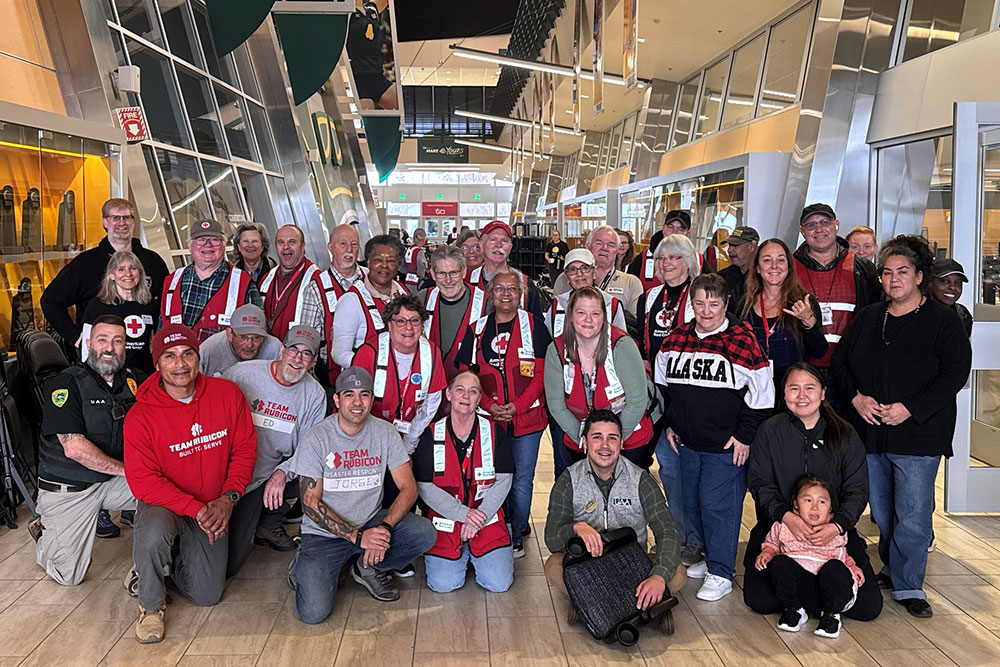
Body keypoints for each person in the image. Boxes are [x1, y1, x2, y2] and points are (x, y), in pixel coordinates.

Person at [832, 235, 971, 618]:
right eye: (887, 273)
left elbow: (954, 374)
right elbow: (841, 364)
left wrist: (910, 408)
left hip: (919, 434)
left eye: (902, 272)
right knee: (883, 511)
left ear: (919, 276)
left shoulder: (942, 320)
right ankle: (893, 569)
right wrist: (857, 397)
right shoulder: (870, 317)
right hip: (873, 432)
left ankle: (910, 585)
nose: (894, 280)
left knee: (912, 512)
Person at [124, 324, 258, 643]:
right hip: (166, 505)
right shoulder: (141, 415)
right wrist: (195, 508)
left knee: (208, 595)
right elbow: (143, 482)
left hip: (213, 505)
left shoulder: (227, 394)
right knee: (153, 532)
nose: (180, 364)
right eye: (169, 356)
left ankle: (156, 568)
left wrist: (229, 497)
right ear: (157, 364)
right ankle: (151, 604)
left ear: (199, 357)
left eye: (187, 354)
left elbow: (245, 450)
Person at [654, 273, 773, 601]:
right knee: (691, 501)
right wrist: (670, 424)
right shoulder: (676, 338)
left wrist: (745, 436)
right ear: (691, 304)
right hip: (688, 442)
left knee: (718, 506)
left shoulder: (742, 340)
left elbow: (763, 395)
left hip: (726, 446)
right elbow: (665, 389)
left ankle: (721, 571)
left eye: (714, 304)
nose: (706, 311)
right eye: (700, 303)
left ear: (725, 305)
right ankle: (708, 557)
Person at [287, 366, 437, 623]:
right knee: (313, 613)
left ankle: (367, 567)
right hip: (324, 534)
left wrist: (384, 529)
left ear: (372, 398)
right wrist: (358, 538)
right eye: (349, 394)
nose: (357, 402)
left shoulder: (384, 431)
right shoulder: (317, 437)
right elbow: (310, 503)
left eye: (364, 394)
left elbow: (409, 488)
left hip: (370, 521)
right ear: (336, 400)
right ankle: (305, 563)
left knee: (424, 532)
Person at [744, 363, 881, 622]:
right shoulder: (769, 431)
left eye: (810, 388)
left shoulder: (844, 433)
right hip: (780, 528)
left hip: (831, 533)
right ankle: (819, 599)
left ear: (823, 393)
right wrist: (787, 517)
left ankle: (801, 598)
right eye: (794, 388)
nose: (802, 396)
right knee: (759, 600)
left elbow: (858, 490)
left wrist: (838, 526)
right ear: (783, 394)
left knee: (868, 608)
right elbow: (760, 483)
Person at [543, 410, 685, 616]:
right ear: (584, 442)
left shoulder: (641, 480)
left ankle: (590, 605)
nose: (605, 446)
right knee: (554, 565)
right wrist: (577, 528)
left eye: (612, 438)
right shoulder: (569, 480)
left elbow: (668, 531)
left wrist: (658, 577)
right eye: (597, 437)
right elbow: (552, 538)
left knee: (678, 572)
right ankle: (645, 607)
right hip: (587, 567)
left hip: (632, 565)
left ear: (622, 443)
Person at [34, 315, 141, 584]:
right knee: (68, 577)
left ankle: (151, 563)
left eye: (118, 341)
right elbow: (75, 449)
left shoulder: (133, 381)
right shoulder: (65, 383)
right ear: (90, 343)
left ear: (125, 346)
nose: (109, 347)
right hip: (71, 490)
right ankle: (46, 531)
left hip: (111, 482)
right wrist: (131, 471)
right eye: (102, 340)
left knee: (165, 490)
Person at [456, 268, 551, 557]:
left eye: (512, 289)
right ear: (490, 294)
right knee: (493, 478)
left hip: (527, 420)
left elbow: (542, 373)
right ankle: (495, 526)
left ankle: (516, 531)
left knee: (522, 479)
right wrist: (485, 404)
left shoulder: (534, 326)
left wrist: (518, 406)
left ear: (521, 295)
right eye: (500, 289)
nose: (506, 294)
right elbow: (464, 372)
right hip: (488, 421)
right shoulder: (478, 329)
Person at [224, 325, 326, 572]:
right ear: (281, 351)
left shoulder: (315, 395)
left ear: (313, 362)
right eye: (293, 350)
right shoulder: (241, 374)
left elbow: (308, 449)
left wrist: (282, 473)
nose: (298, 359)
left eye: (306, 354)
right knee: (216, 555)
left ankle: (268, 524)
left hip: (264, 478)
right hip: (228, 472)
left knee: (230, 565)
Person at [413, 371, 514, 592]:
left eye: (473, 391)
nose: (466, 396)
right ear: (448, 394)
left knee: (498, 584)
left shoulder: (494, 432)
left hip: (485, 517)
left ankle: (475, 555)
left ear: (479, 399)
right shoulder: (431, 435)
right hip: (445, 518)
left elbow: (504, 480)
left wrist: (476, 519)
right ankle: (466, 556)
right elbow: (424, 486)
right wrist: (463, 514)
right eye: (459, 389)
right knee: (443, 584)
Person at [545, 286, 653, 478]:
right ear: (570, 315)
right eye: (581, 313)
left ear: (604, 317)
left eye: (595, 313)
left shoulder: (622, 345)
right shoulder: (556, 351)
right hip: (581, 438)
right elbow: (556, 406)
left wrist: (611, 441)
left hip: (628, 436)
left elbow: (637, 402)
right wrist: (585, 439)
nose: (588, 320)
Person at [41, 198, 169, 348]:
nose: (122, 223)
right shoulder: (86, 263)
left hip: (143, 356)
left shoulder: (153, 261)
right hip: (100, 356)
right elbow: (50, 301)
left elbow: (165, 304)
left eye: (126, 217)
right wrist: (75, 337)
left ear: (133, 222)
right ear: (105, 222)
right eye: (115, 218)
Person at [638, 235, 698, 551]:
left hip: (689, 395)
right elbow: (640, 339)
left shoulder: (698, 296)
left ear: (688, 261)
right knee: (666, 469)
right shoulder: (650, 297)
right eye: (662, 259)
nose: (667, 264)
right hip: (656, 396)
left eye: (674, 258)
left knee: (683, 472)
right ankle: (672, 535)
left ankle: (689, 537)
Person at [754, 474, 866, 639]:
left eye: (822, 502)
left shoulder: (835, 529)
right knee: (779, 563)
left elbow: (842, 554)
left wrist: (853, 567)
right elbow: (772, 544)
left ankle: (830, 615)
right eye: (808, 500)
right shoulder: (784, 525)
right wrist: (767, 553)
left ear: (830, 508)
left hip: (827, 591)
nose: (815, 507)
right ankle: (794, 610)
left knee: (835, 568)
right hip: (800, 589)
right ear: (795, 504)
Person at [792, 204, 880, 404]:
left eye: (825, 223)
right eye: (811, 225)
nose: (819, 229)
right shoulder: (789, 268)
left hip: (850, 376)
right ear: (802, 231)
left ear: (836, 225)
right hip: (803, 374)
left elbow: (875, 317)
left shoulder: (862, 268)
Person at [351, 293, 447, 455]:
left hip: (413, 432)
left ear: (423, 325)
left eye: (415, 320)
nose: (408, 327)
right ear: (389, 324)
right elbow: (354, 405)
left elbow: (431, 404)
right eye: (400, 321)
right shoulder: (369, 353)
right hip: (369, 433)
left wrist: (408, 445)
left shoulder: (432, 353)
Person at [738, 239, 827, 395]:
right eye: (767, 260)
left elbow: (819, 351)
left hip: (793, 396)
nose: (774, 266)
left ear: (789, 267)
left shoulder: (804, 302)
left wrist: (809, 321)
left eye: (781, 260)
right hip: (752, 392)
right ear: (758, 268)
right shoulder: (744, 305)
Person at [161, 219, 262, 342]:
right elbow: (161, 328)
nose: (207, 245)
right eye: (200, 240)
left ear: (224, 245)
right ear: (190, 246)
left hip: (224, 361)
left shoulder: (244, 284)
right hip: (177, 360)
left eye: (215, 240)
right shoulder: (171, 281)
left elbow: (257, 335)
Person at [330, 234, 407, 370]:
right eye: (378, 260)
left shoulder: (404, 293)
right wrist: (371, 364)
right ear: (368, 262)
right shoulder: (351, 301)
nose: (384, 266)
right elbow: (338, 353)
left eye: (391, 261)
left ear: (398, 265)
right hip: (365, 382)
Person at [79, 250, 158, 375]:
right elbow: (86, 346)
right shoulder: (98, 305)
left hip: (143, 374)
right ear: (111, 275)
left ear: (140, 273)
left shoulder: (149, 305)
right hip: (109, 374)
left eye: (133, 268)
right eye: (121, 269)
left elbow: (152, 342)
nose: (128, 274)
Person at [419, 244, 487, 382]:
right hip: (429, 387)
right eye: (442, 273)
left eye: (453, 273)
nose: (448, 280)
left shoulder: (485, 303)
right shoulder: (423, 299)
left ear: (463, 272)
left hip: (468, 389)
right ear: (432, 274)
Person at [554, 225, 644, 317]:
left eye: (611, 245)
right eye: (599, 243)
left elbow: (636, 324)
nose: (604, 248)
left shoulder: (631, 283)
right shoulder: (565, 279)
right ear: (587, 246)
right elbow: (556, 318)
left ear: (617, 251)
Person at [318, 223, 368, 384]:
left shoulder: (372, 280)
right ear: (330, 247)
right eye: (342, 244)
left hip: (374, 374)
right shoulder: (316, 286)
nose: (349, 250)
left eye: (354, 245)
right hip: (332, 377)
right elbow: (310, 338)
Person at [258, 225, 327, 341]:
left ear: (303, 246)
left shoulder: (317, 280)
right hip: (269, 353)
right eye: (281, 242)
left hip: (298, 354)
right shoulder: (266, 279)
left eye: (292, 242)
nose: (286, 247)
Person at [467, 220, 544, 318]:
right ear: (481, 244)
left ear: (510, 247)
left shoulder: (525, 284)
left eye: (504, 241)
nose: (499, 245)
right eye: (493, 239)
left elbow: (537, 327)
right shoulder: (467, 281)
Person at [545, 248, 628, 339]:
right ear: (567, 277)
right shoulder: (558, 304)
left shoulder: (611, 304)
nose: (579, 274)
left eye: (584, 268)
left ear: (594, 272)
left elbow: (622, 342)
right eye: (572, 269)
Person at [198, 304, 283, 377]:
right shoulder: (208, 350)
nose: (250, 345)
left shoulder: (275, 349)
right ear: (229, 334)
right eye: (243, 337)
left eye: (256, 337)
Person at [628, 209, 701, 291]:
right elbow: (630, 288)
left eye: (680, 229)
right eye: (670, 227)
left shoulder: (698, 260)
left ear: (687, 233)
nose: (674, 232)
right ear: (663, 228)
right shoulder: (643, 258)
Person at [347, 0, 398, 110]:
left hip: (377, 76)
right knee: (367, 123)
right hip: (359, 78)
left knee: (404, 106)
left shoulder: (371, 8)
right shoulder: (346, 11)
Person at [719, 226, 759, 313]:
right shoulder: (721, 277)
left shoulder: (764, 278)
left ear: (752, 246)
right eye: (729, 245)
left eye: (735, 245)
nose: (729, 250)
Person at [930, 258, 973, 337]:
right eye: (945, 281)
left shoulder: (963, 315)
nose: (953, 287)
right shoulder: (918, 313)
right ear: (930, 282)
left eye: (958, 283)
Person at [402, 228, 429, 293]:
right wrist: (422, 275)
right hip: (418, 281)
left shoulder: (409, 249)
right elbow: (422, 265)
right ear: (424, 239)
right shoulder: (419, 251)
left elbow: (403, 265)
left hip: (408, 279)